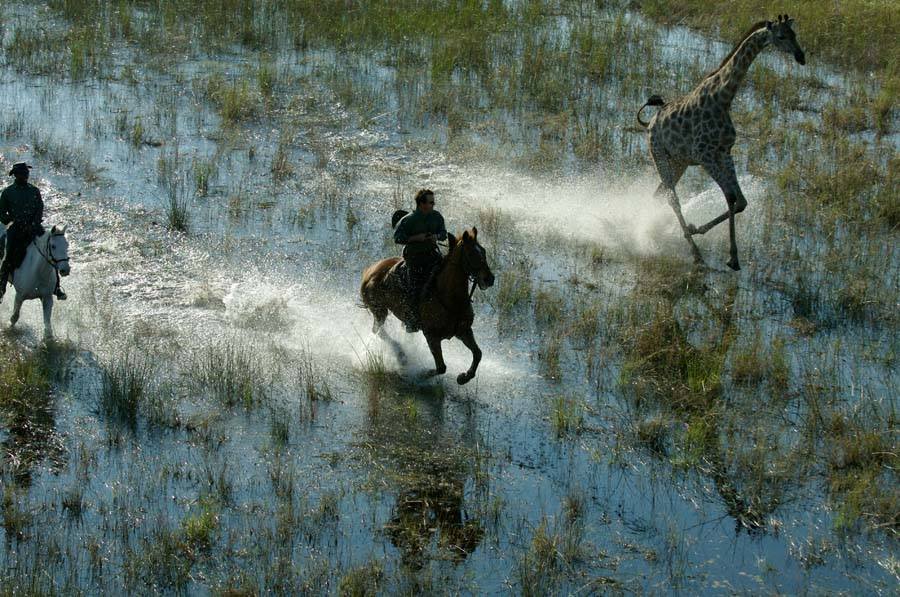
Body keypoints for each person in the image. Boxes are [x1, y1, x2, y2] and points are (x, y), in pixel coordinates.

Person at [0, 162, 66, 302]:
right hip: (16, 229)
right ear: (16, 175)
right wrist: (12, 220)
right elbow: (1, 213)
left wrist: (34, 223)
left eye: (26, 174)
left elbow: (39, 208)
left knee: (50, 250)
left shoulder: (34, 190)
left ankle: (57, 287)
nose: (25, 176)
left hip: (34, 227)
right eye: (23, 174)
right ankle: (1, 287)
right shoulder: (7, 192)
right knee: (8, 256)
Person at [393, 189, 447, 331]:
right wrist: (415, 238)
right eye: (431, 202)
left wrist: (437, 236)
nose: (433, 204)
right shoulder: (408, 220)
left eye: (433, 202)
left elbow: (443, 233)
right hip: (414, 258)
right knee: (415, 288)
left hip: (432, 255)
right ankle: (412, 321)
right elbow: (397, 238)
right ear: (421, 203)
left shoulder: (436, 217)